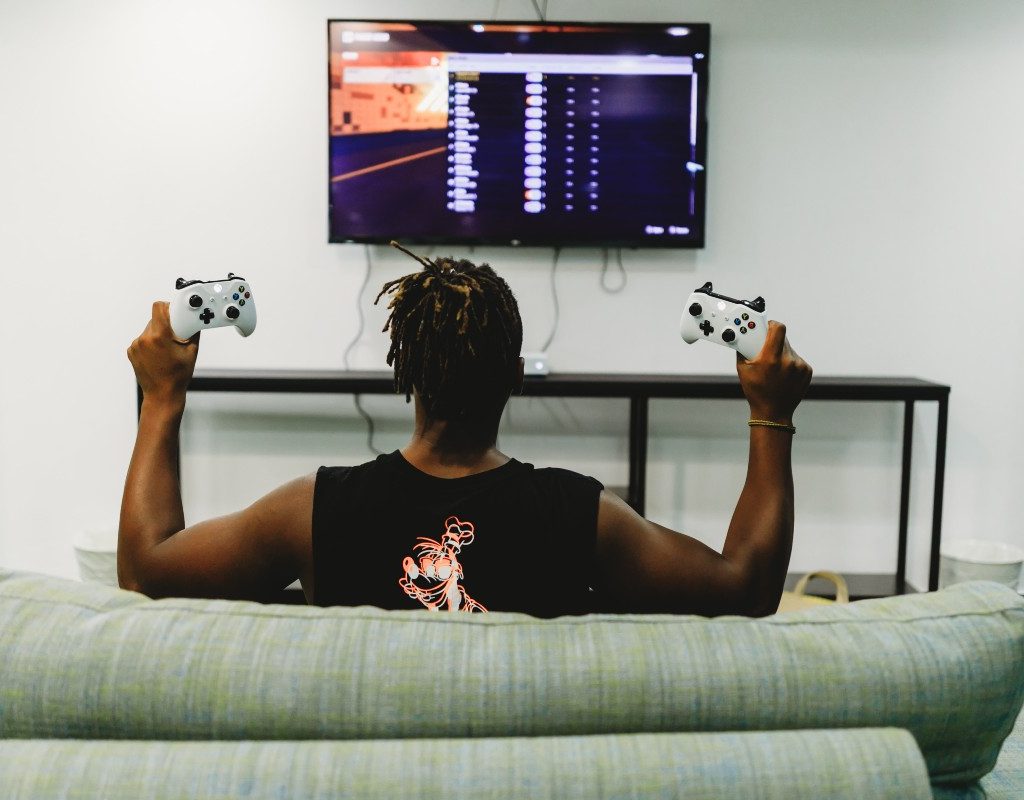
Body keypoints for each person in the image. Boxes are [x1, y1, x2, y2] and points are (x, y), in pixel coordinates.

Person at [119, 244, 812, 617]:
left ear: (404, 373)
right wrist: (771, 415)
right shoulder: (583, 517)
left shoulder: (311, 509)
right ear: (515, 375)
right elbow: (747, 588)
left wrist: (161, 397)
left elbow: (145, 572)